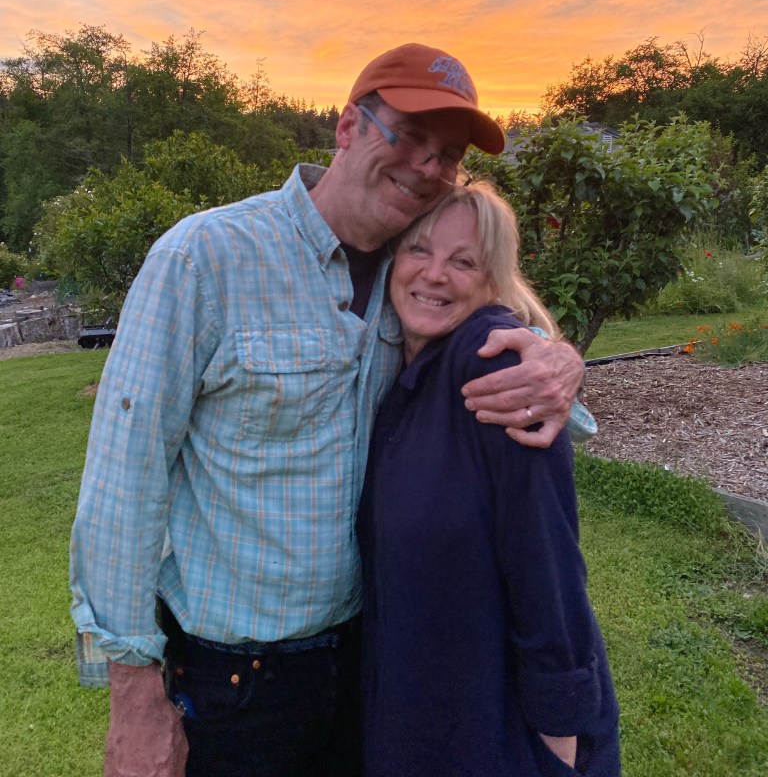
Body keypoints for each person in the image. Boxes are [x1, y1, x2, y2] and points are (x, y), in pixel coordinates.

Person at [69, 43, 586, 777]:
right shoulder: (205, 257)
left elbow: (494, 329)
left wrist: (559, 362)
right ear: (347, 127)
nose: (427, 166)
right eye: (408, 134)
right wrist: (132, 695)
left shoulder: (412, 271)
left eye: (448, 155)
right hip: (236, 684)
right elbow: (124, 482)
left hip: (371, 665)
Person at [356, 181, 621, 777]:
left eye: (464, 261)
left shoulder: (498, 370)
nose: (435, 274)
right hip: (418, 707)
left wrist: (559, 729)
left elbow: (547, 559)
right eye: (419, 249)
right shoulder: (401, 363)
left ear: (492, 282)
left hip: (498, 728)